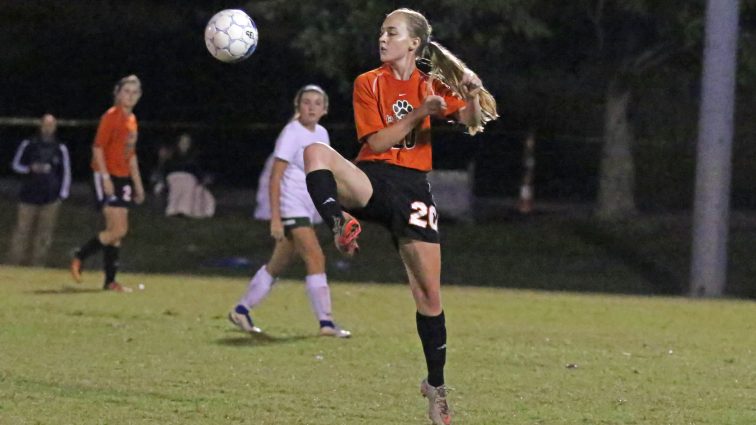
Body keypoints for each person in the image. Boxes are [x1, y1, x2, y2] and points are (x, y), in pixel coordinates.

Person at [302, 8, 497, 425]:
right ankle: (338, 220)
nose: (383, 39)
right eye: (382, 32)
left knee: (429, 296)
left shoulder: (431, 83)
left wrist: (474, 94)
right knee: (315, 152)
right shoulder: (368, 82)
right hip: (372, 180)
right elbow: (376, 140)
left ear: (414, 44)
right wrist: (420, 112)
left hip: (413, 190)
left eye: (392, 33)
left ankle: (436, 388)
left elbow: (470, 120)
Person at [228, 84, 351, 338]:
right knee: (315, 257)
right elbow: (275, 177)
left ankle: (241, 310)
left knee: (278, 263)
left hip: (306, 206)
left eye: (318, 103)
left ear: (325, 109)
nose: (312, 107)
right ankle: (326, 323)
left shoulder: (322, 133)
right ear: (298, 106)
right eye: (307, 102)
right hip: (290, 205)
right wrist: (275, 217)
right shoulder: (291, 133)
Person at [69, 75, 146, 292]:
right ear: (118, 93)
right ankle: (80, 256)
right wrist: (105, 178)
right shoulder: (111, 117)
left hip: (123, 177)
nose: (130, 96)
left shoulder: (132, 120)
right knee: (119, 230)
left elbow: (130, 155)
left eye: (134, 92)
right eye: (126, 91)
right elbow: (98, 148)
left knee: (116, 231)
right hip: (107, 175)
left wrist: (138, 184)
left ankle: (110, 281)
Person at [6, 114, 71, 266]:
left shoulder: (60, 148)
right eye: (46, 124)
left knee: (44, 234)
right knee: (22, 231)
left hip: (50, 198)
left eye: (51, 125)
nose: (48, 128)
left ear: (55, 127)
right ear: (40, 125)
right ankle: (13, 264)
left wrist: (62, 194)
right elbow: (16, 165)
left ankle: (37, 265)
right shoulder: (28, 144)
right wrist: (30, 168)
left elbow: (66, 172)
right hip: (28, 196)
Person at [163, 133, 215, 218]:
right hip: (175, 177)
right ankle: (173, 209)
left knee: (192, 187)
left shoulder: (194, 155)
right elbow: (167, 168)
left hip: (189, 178)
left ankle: (184, 210)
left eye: (187, 142)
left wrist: (201, 179)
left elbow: (196, 169)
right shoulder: (171, 155)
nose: (184, 144)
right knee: (181, 186)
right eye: (182, 141)